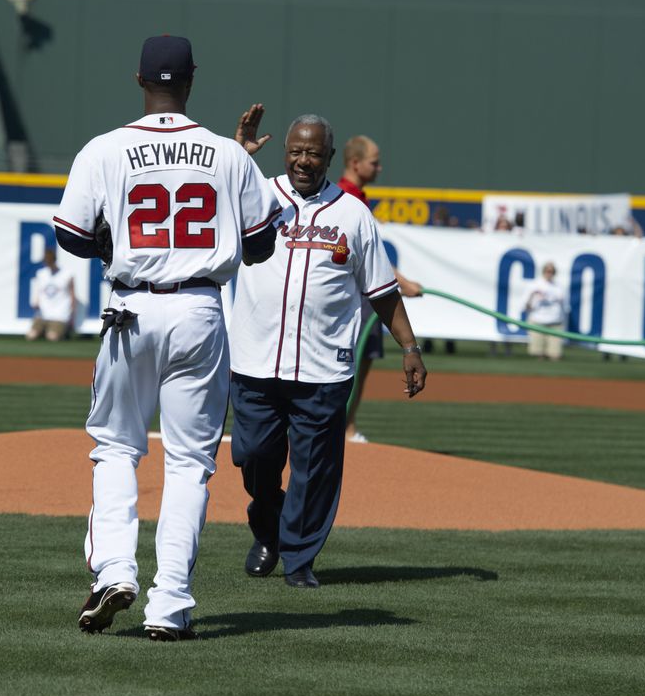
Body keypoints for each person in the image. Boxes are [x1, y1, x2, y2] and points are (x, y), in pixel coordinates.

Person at [53, 35, 278, 641]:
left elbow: (72, 237)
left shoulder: (104, 148)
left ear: (140, 80)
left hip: (130, 307)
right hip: (201, 310)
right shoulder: (229, 157)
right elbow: (259, 246)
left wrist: (115, 240)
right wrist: (232, 179)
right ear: (191, 82)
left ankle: (116, 571)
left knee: (117, 448)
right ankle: (170, 604)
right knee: (187, 465)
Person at [229, 106, 426, 589]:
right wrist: (237, 155)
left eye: (312, 153)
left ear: (329, 157)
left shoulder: (353, 213)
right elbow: (207, 197)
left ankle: (297, 558)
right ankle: (268, 524)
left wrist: (409, 347)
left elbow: (380, 289)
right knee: (253, 454)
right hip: (255, 359)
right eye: (295, 150)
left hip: (322, 366)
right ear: (284, 151)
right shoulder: (256, 195)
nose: (302, 160)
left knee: (314, 470)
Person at [333, 134, 423, 443]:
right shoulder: (348, 197)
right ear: (355, 163)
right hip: (358, 302)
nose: (380, 167)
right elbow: (371, 255)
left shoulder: (356, 195)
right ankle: (344, 428)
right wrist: (403, 283)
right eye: (374, 162)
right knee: (353, 365)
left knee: (362, 364)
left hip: (363, 301)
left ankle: (348, 426)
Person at [26, 249, 76, 341]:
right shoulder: (41, 273)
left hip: (60, 315)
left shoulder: (67, 274)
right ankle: (44, 331)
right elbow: (39, 290)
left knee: (52, 337)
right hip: (43, 313)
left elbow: (72, 295)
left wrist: (72, 315)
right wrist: (36, 302)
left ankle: (59, 332)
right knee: (31, 336)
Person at [523, 262, 567, 360]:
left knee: (555, 355)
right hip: (538, 320)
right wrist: (532, 297)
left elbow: (565, 306)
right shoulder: (534, 285)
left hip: (555, 321)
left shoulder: (559, 287)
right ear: (543, 272)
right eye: (547, 271)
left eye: (552, 271)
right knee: (537, 353)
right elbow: (526, 306)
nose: (549, 273)